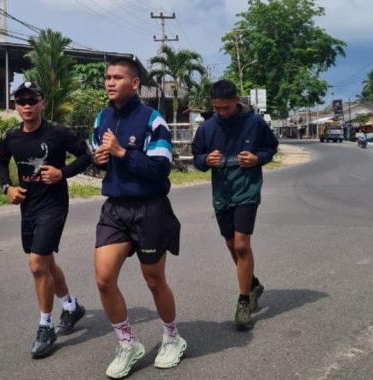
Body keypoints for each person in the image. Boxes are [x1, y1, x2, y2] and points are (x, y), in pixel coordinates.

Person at [92, 57, 186, 379]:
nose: (109, 82)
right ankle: (127, 342)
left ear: (134, 84)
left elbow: (160, 169)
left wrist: (121, 153)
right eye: (107, 77)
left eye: (117, 77)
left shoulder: (153, 120)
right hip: (115, 208)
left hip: (150, 208)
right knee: (104, 279)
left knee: (154, 279)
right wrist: (101, 159)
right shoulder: (101, 117)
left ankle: (173, 336)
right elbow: (100, 160)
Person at [0, 81, 91, 358]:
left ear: (41, 103)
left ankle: (45, 326)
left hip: (54, 205)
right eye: (21, 101)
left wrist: (62, 173)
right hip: (28, 207)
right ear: (15, 106)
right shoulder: (10, 136)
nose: (26, 106)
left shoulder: (58, 132)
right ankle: (71, 307)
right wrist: (6, 187)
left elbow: (87, 155)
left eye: (31, 100)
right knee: (46, 262)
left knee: (37, 264)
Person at [191, 79, 278, 330]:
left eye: (226, 108)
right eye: (217, 108)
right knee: (231, 244)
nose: (221, 113)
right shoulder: (207, 128)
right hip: (222, 192)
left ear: (237, 100)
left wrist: (257, 158)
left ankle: (243, 301)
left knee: (241, 244)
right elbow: (197, 157)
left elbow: (270, 148)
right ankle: (253, 285)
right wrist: (206, 159)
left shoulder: (255, 123)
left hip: (247, 190)